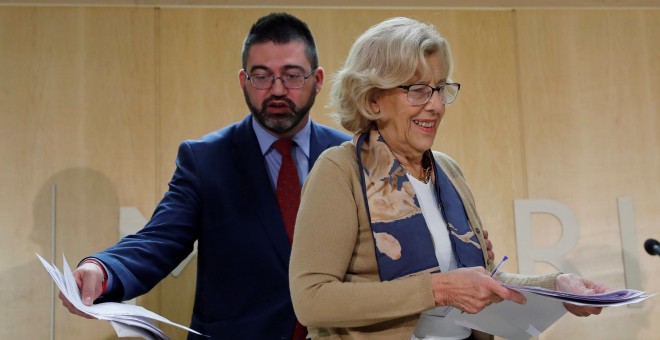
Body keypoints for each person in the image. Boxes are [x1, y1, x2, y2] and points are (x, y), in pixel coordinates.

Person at [289, 17, 609, 339]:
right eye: (418, 91)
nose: (437, 105)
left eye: (441, 89)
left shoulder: (448, 171)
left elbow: (480, 284)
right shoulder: (339, 170)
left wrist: (557, 286)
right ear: (373, 99)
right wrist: (437, 290)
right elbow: (312, 299)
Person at [59, 12, 351, 339]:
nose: (277, 89)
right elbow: (160, 239)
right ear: (244, 81)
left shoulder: (351, 156)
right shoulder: (206, 160)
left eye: (293, 75)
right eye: (262, 76)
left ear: (318, 79)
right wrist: (103, 269)